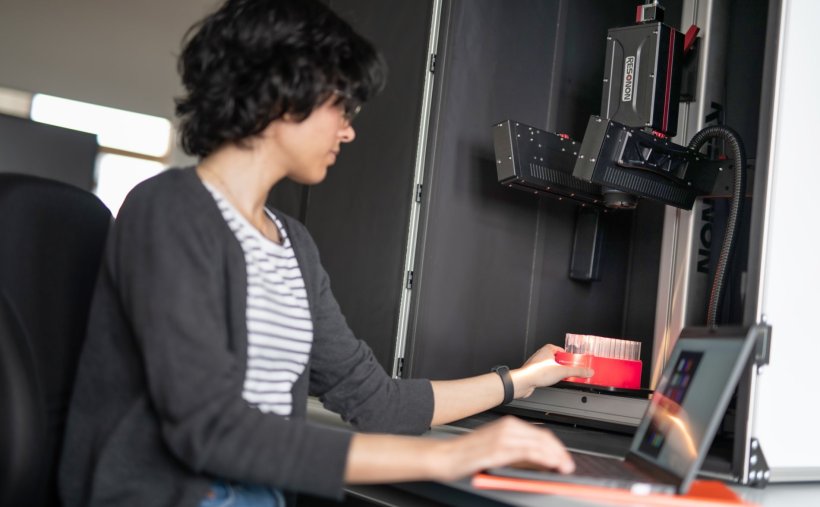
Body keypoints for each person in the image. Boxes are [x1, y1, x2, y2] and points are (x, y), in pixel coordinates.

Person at [58, 1, 593, 506]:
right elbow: (209, 430)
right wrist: (447, 455)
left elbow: (378, 401)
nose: (349, 130)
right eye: (342, 106)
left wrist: (522, 380)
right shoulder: (169, 210)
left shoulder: (293, 245)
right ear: (282, 94)